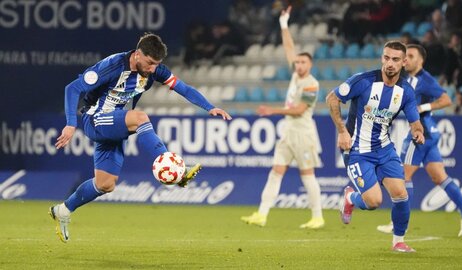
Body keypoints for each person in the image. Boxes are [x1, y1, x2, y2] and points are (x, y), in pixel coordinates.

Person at [50, 33, 232, 243]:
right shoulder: (112, 65)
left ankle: (63, 210)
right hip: (95, 119)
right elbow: (72, 88)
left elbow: (183, 88)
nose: (153, 69)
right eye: (150, 63)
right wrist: (71, 123)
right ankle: (171, 166)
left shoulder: (155, 71)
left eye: (157, 64)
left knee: (105, 184)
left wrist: (209, 107)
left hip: (115, 124)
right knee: (140, 118)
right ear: (137, 54)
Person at [326, 41, 425, 253]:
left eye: (395, 59)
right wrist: (342, 131)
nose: (390, 63)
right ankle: (350, 197)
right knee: (373, 202)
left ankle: (398, 241)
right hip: (358, 151)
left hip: (385, 149)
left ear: (404, 62)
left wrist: (418, 131)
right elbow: (332, 98)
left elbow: (415, 121)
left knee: (400, 193)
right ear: (382, 58)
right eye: (386, 58)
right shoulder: (363, 81)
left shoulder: (405, 92)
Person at [377, 44, 462, 236]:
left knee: (402, 176)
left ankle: (397, 224)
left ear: (421, 60)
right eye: (405, 56)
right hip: (431, 132)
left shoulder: (425, 79)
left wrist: (423, 108)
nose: (406, 60)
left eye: (411, 56)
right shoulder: (407, 78)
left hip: (420, 134)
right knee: (439, 176)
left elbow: (446, 100)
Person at [241, 6, 325, 229]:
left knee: (307, 175)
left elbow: (299, 110)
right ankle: (262, 214)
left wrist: (273, 110)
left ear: (310, 65)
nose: (298, 65)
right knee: (275, 172)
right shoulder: (297, 75)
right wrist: (284, 24)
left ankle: (317, 216)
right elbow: (289, 47)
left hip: (303, 133)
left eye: (303, 62)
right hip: (288, 131)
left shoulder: (312, 84)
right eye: (297, 62)